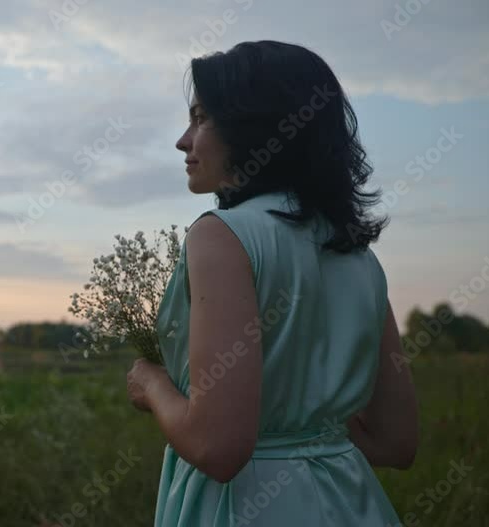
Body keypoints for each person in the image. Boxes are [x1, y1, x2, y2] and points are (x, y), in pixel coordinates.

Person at [125, 40, 419, 526]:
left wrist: (151, 384)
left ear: (251, 125)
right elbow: (396, 442)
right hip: (352, 504)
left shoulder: (221, 236)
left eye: (200, 119)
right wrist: (309, 422)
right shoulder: (358, 255)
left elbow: (218, 448)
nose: (183, 140)